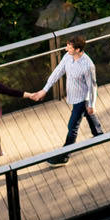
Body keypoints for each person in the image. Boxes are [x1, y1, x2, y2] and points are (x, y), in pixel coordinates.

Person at [29, 34, 101, 163]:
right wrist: (44, 90)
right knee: (88, 114)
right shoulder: (68, 57)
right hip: (73, 96)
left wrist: (91, 104)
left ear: (78, 50)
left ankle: (64, 156)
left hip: (82, 99)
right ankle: (98, 133)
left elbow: (92, 86)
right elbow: (57, 72)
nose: (66, 48)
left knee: (72, 126)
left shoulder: (88, 66)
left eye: (69, 46)